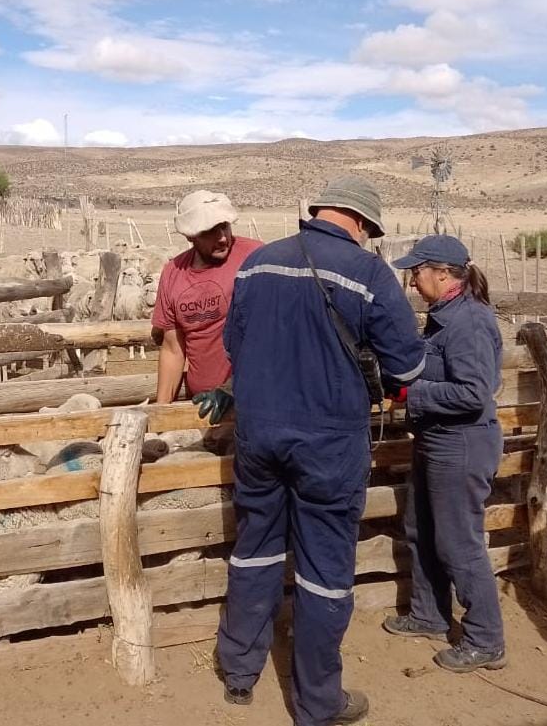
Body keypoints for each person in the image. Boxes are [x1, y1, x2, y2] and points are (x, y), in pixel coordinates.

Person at [215, 175, 426, 726]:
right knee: (324, 570)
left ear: (318, 212)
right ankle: (317, 704)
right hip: (328, 442)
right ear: (362, 223)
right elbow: (407, 366)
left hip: (259, 434)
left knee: (254, 549)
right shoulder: (369, 272)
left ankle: (239, 674)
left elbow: (235, 344)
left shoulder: (258, 263)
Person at [383, 234, 506, 673]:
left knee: (459, 542)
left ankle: (485, 639)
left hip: (462, 443)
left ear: (442, 273)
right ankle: (428, 614)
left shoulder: (468, 321)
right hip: (438, 439)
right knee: (420, 527)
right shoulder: (445, 316)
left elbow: (474, 392)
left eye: (417, 271)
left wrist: (411, 394)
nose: (413, 279)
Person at [151, 190, 261, 408]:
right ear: (190, 235)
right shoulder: (174, 273)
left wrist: (232, 388)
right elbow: (173, 348)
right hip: (201, 405)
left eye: (225, 226)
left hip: (251, 403)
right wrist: (160, 410)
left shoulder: (254, 258)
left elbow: (268, 336)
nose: (222, 237)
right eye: (210, 231)